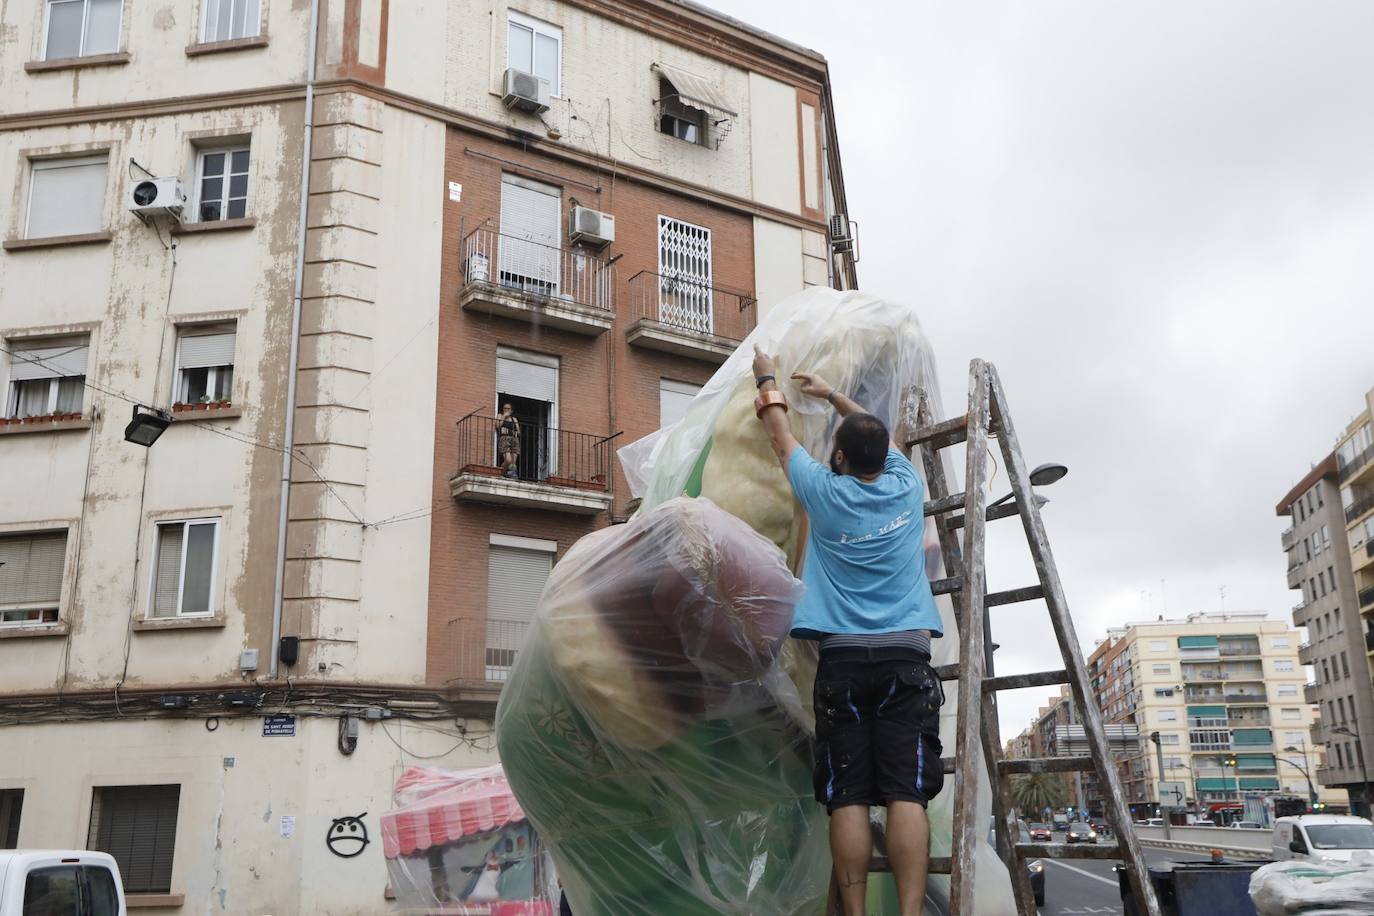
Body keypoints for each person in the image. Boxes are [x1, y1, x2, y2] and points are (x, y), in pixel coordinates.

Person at [752, 346, 945, 916]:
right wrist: (837, 396)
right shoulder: (907, 485)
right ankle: (910, 913)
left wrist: (768, 378)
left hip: (840, 663)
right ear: (885, 457)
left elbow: (780, 436)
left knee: (849, 797)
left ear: (837, 455)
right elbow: (877, 439)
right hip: (906, 658)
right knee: (907, 792)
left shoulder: (824, 492)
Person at [497, 403, 521, 479]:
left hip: (514, 439)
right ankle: (501, 473)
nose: (506, 410)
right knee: (508, 460)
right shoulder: (500, 416)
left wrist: (516, 432)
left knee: (513, 462)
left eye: (508, 409)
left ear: (511, 410)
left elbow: (518, 431)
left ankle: (511, 474)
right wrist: (504, 416)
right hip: (504, 438)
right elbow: (498, 426)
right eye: (505, 408)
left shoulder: (514, 419)